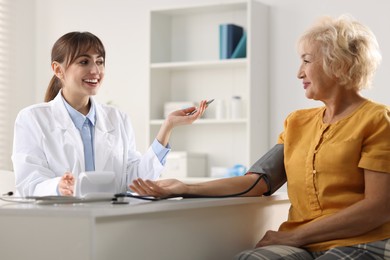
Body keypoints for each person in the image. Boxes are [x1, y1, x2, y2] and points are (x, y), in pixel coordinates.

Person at [130, 15, 390, 259]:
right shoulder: (297, 122)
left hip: (361, 241)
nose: (299, 73)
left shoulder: (378, 120)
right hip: (305, 244)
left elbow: (379, 207)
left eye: (307, 61)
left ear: (339, 64)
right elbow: (257, 182)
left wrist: (297, 235)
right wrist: (185, 188)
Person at [12, 31, 208, 197]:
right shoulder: (32, 119)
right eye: (84, 62)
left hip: (108, 220)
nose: (95, 70)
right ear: (58, 69)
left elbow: (135, 180)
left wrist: (168, 127)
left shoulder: (117, 118)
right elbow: (29, 182)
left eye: (100, 62)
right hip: (61, 221)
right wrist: (58, 186)